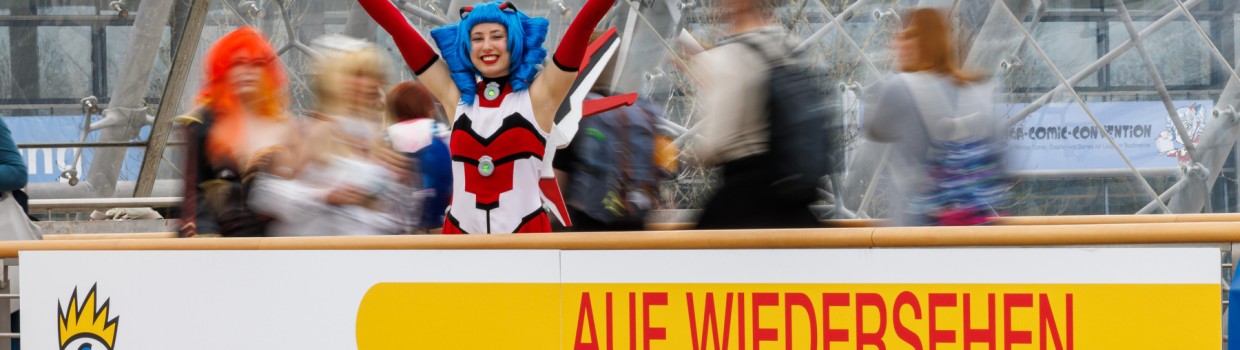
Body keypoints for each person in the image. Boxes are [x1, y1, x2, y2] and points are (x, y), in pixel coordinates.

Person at [358, 0, 617, 233]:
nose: (487, 46)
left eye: (497, 36)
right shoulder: (455, 96)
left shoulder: (540, 97)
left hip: (525, 242)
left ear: (514, 40)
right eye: (477, 38)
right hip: (461, 243)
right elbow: (398, 28)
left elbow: (584, 25)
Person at [248, 35, 416, 236]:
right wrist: (325, 195)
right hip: (315, 250)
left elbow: (397, 218)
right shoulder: (312, 132)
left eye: (374, 75)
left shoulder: (377, 139)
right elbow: (266, 194)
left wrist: (398, 188)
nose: (369, 83)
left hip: (365, 251)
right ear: (335, 79)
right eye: (358, 75)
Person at [863, 8, 1005, 226]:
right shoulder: (977, 90)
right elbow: (999, 157)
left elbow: (874, 129)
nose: (894, 44)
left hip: (920, 226)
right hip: (974, 225)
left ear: (917, 43)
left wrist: (899, 69)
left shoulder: (900, 87)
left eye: (902, 36)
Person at [691, 0, 821, 229]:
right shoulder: (786, 45)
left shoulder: (729, 57)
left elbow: (715, 145)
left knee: (699, 242)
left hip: (746, 194)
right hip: (791, 191)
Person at [178, 27, 295, 237]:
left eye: (256, 64)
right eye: (238, 63)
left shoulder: (286, 128)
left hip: (278, 243)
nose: (247, 71)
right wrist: (206, 241)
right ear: (223, 68)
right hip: (218, 245)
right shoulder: (201, 125)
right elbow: (194, 198)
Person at [386, 81, 452, 231]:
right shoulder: (440, 131)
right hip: (440, 223)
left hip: (398, 228)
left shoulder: (386, 137)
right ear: (426, 105)